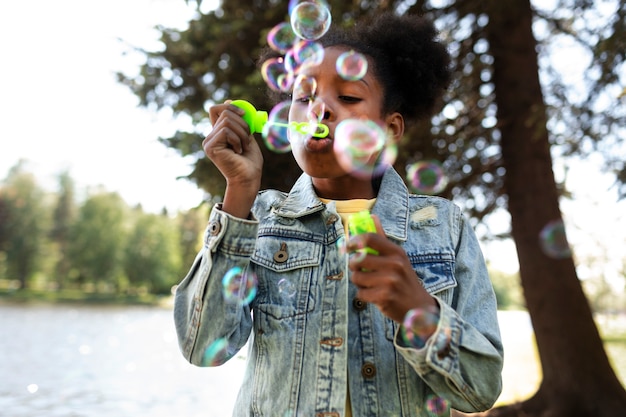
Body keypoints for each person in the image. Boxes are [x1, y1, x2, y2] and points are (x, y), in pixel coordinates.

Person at [174, 11, 503, 417]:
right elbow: (202, 347)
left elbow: (481, 391)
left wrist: (420, 313)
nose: (320, 110)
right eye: (304, 97)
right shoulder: (257, 218)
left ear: (390, 128)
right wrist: (240, 191)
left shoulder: (443, 227)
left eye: (347, 97)